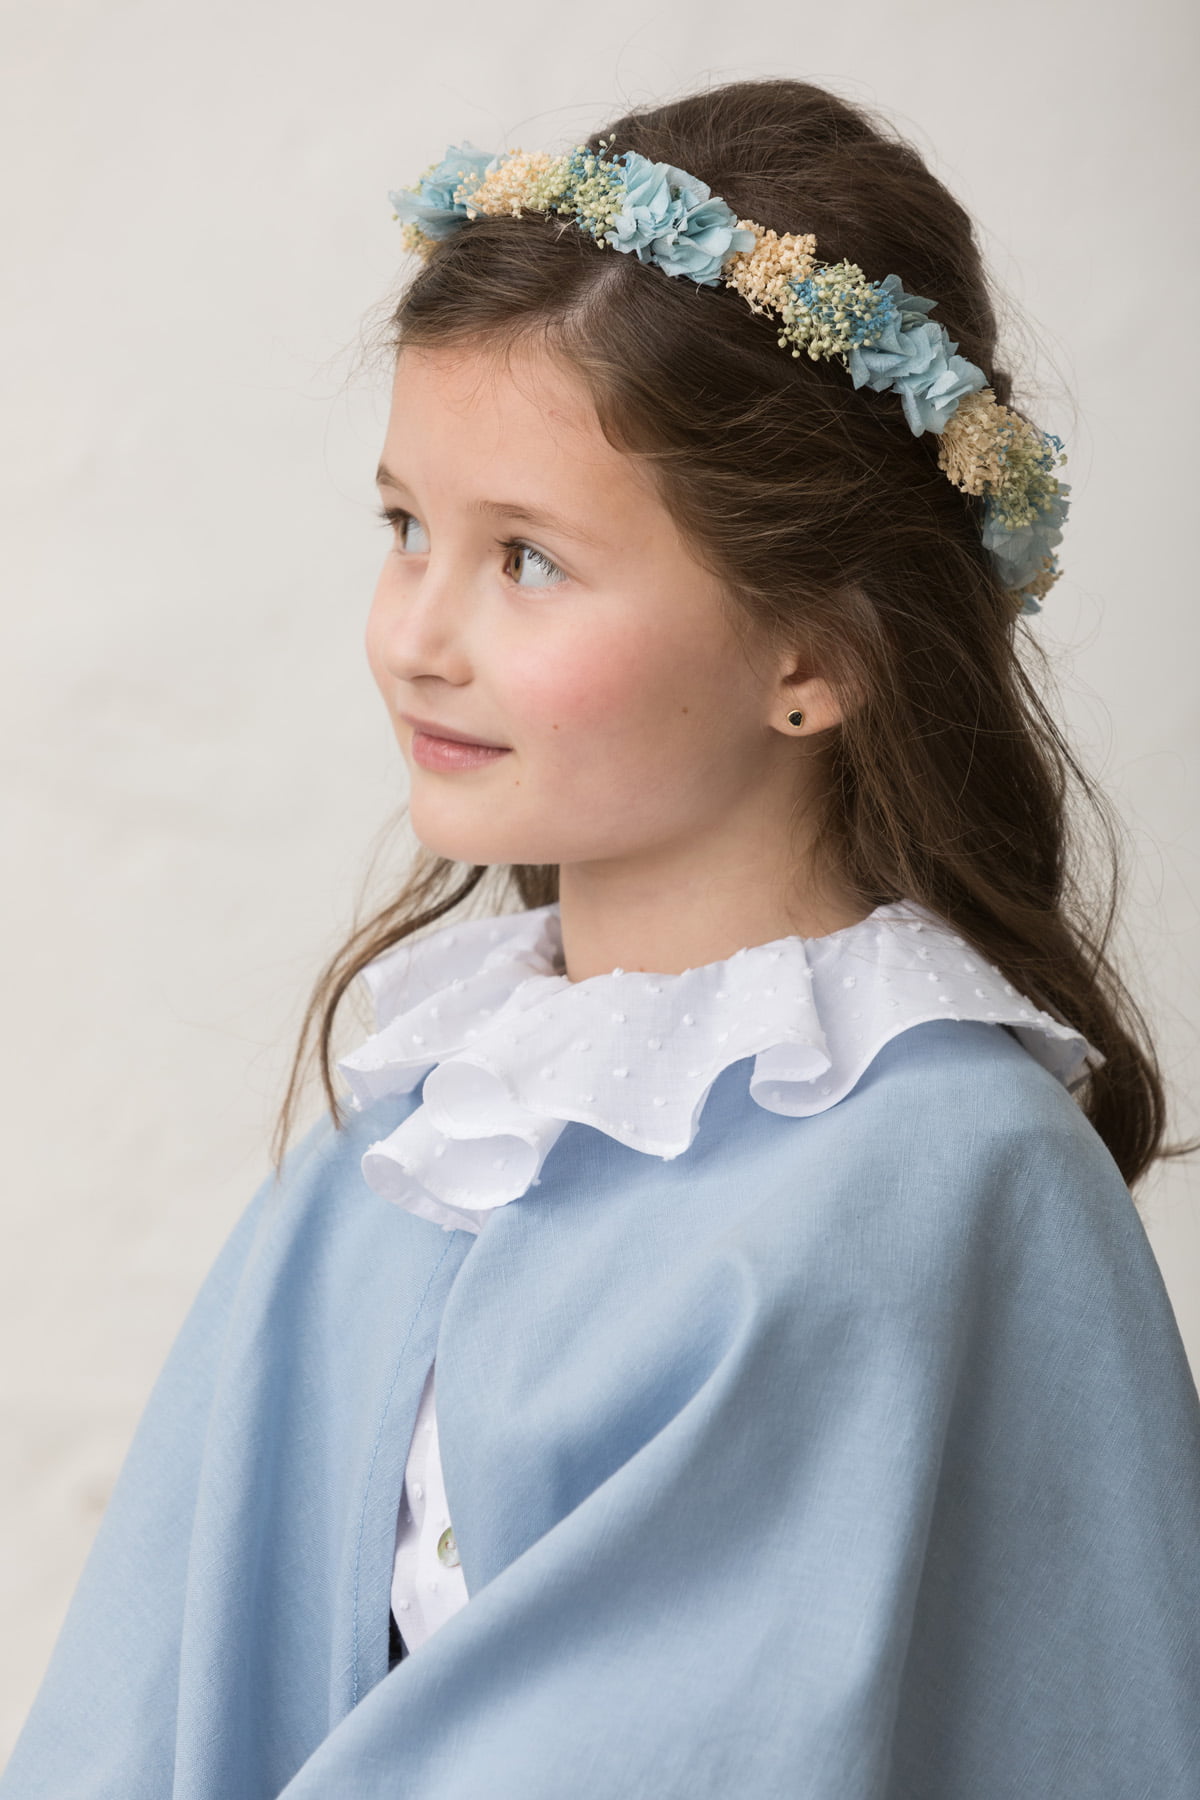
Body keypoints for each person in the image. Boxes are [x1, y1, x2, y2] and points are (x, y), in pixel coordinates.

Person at [4, 76, 1199, 1800]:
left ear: (816, 656)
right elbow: (135, 1713)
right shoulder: (412, 1148)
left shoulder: (938, 1182)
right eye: (407, 527)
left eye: (529, 563)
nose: (419, 633)